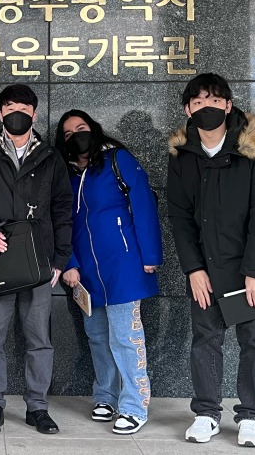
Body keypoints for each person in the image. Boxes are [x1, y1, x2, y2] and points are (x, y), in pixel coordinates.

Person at [166, 73, 255, 448]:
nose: (208, 107)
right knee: (205, 340)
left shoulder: (254, 148)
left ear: (228, 105)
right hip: (206, 267)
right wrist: (194, 269)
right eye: (199, 101)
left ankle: (251, 416)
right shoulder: (182, 154)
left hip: (253, 266)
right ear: (188, 109)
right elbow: (180, 217)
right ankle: (206, 413)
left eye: (215, 100)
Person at [0, 84, 73, 436]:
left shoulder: (50, 158)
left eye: (24, 107)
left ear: (35, 114)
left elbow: (63, 209)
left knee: (40, 339)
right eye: (9, 107)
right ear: (0, 114)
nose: (16, 112)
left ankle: (37, 407)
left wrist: (61, 259)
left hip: (39, 263)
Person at [55, 109, 162, 435]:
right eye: (69, 133)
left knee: (125, 338)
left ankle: (134, 405)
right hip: (85, 272)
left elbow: (144, 205)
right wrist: (70, 264)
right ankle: (105, 396)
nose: (76, 135)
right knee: (98, 338)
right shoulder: (65, 174)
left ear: (95, 129)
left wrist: (150, 254)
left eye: (82, 128)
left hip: (124, 266)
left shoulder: (118, 160)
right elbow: (60, 222)